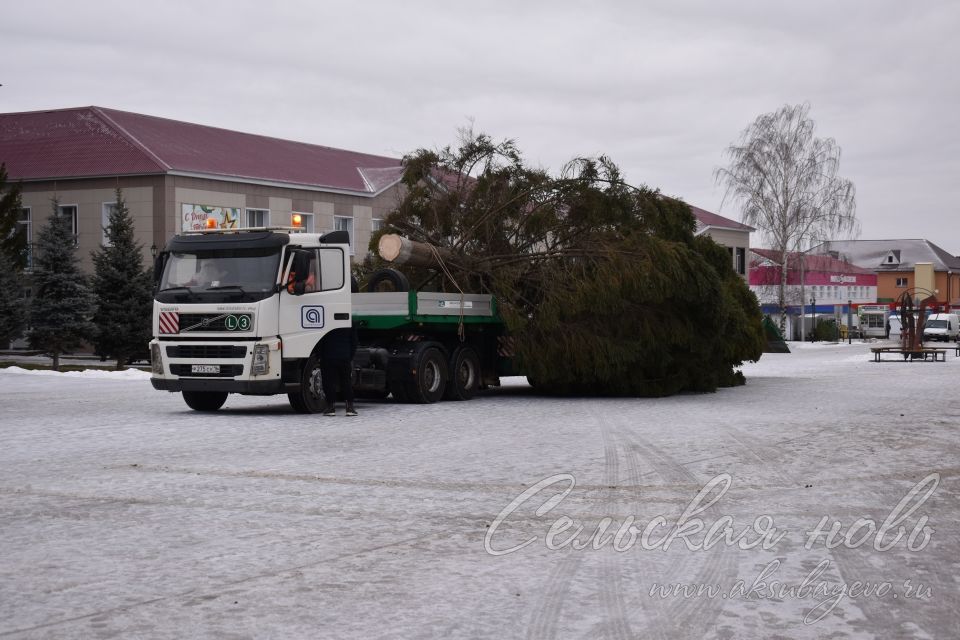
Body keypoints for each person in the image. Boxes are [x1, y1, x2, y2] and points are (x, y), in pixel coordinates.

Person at [320, 324, 358, 416]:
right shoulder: (349, 321)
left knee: (329, 382)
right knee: (346, 382)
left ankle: (330, 407)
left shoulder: (326, 320)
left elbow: (320, 341)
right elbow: (354, 341)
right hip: (344, 357)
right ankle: (349, 407)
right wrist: (349, 356)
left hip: (328, 356)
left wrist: (320, 355)